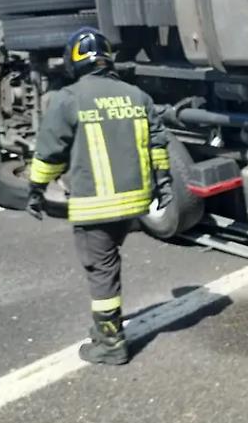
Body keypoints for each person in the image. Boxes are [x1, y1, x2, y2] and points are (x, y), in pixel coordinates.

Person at [26, 28, 174, 365]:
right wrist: (163, 186)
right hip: (134, 205)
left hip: (95, 206)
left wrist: (36, 188)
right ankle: (105, 330)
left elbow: (51, 152)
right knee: (108, 262)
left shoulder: (69, 98)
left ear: (73, 62)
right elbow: (159, 145)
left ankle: (111, 343)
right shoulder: (137, 96)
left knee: (101, 269)